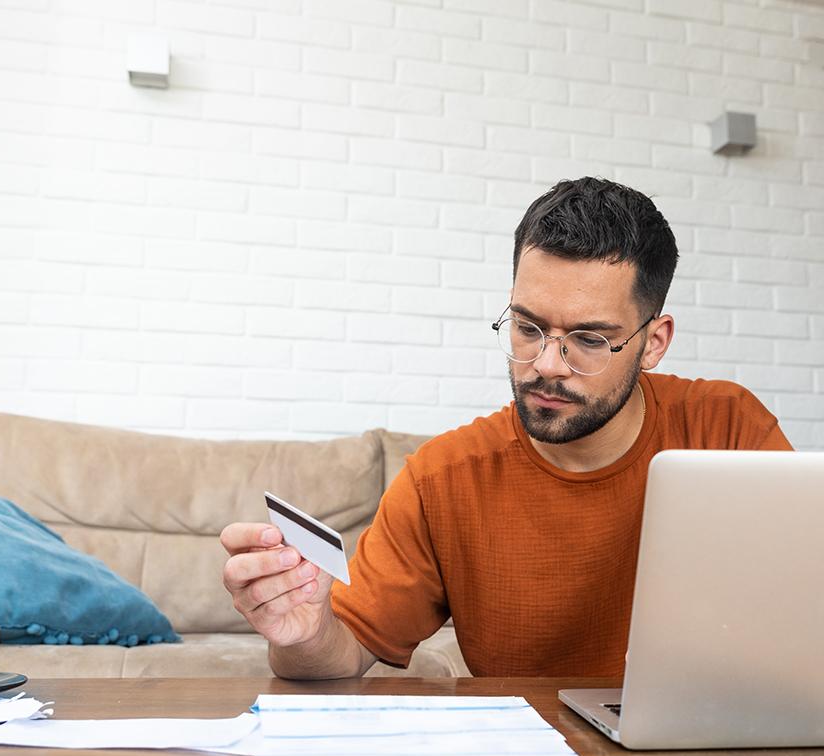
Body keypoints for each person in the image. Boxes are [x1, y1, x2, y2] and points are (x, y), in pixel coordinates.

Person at [221, 177, 793, 680]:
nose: (545, 364)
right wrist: (304, 633)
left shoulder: (727, 428)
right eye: (527, 328)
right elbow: (339, 655)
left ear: (654, 343)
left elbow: (813, 609)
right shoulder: (443, 480)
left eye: (590, 340)